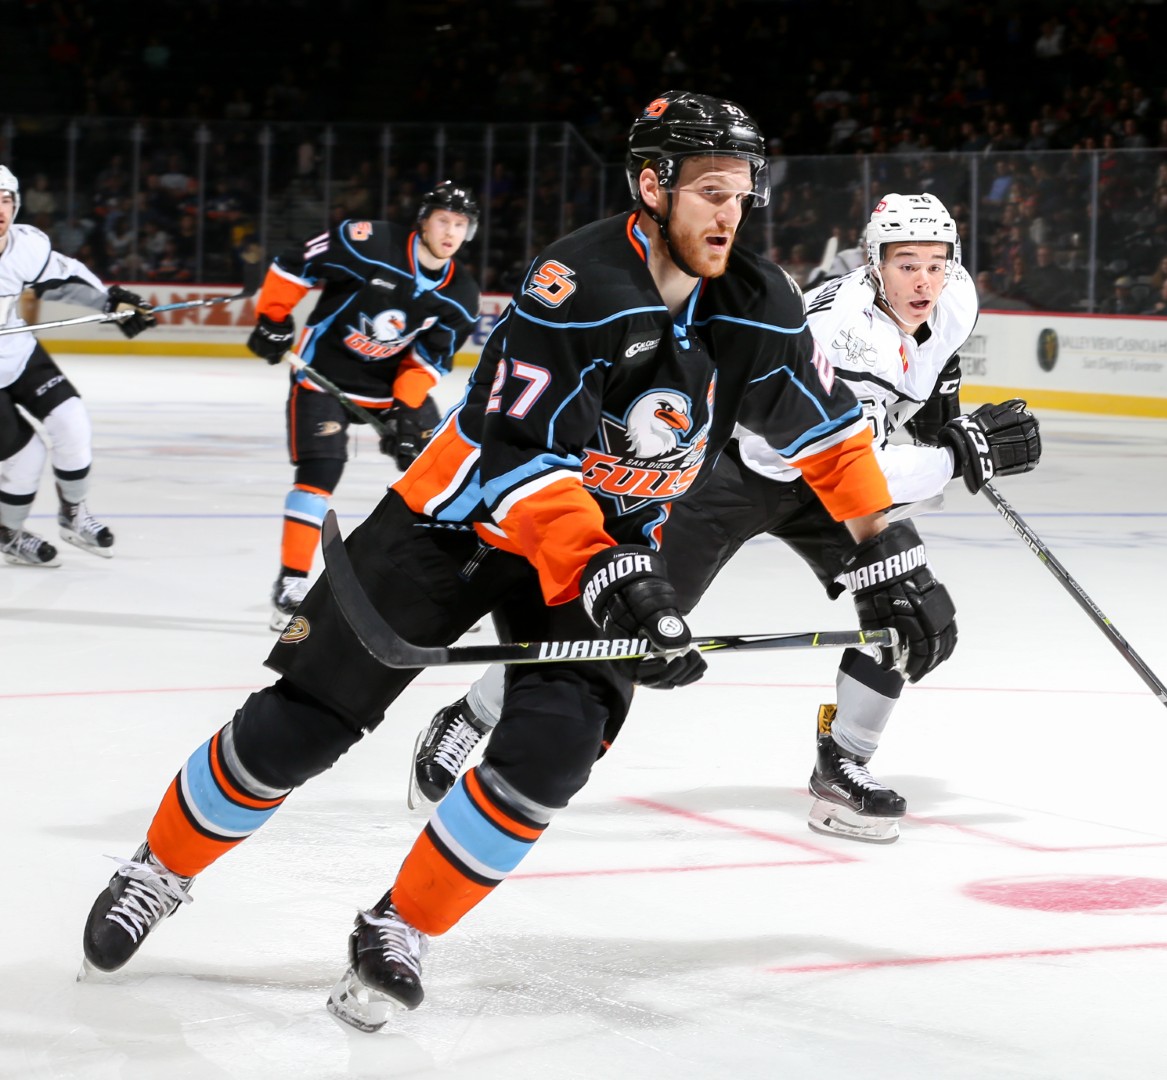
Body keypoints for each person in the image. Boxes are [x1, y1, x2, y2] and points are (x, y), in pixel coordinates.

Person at [78, 92, 961, 1034]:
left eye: (742, 193)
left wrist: (890, 554)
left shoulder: (760, 301)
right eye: (711, 191)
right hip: (456, 524)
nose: (730, 213)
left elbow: (828, 437)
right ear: (652, 185)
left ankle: (399, 926)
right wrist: (608, 568)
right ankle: (158, 870)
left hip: (598, 552)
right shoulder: (575, 284)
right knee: (303, 725)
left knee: (552, 752)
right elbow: (520, 461)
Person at [407, 192, 1040, 844]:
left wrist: (945, 426)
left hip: (828, 479)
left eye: (936, 264)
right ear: (873, 264)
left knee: (909, 602)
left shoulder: (956, 297)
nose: (925, 282)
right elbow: (853, 465)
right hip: (738, 471)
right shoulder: (843, 331)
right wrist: (956, 456)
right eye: (907, 265)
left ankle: (842, 765)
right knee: (627, 625)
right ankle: (473, 712)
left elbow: (936, 370)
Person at [249, 182, 481, 631]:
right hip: (322, 377)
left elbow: (430, 359)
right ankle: (291, 584)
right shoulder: (370, 243)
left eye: (460, 224)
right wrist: (272, 318)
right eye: (443, 221)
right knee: (319, 472)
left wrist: (406, 409)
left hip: (387, 389)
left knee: (439, 479)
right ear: (424, 221)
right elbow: (296, 263)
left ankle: (437, 590)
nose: (450, 232)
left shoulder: (461, 293)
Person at [0, 164, 156, 566]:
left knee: (72, 422)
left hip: (16, 352)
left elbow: (65, 279)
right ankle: (9, 533)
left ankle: (73, 514)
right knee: (26, 458)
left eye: (6, 200)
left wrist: (111, 303)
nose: (0, 210)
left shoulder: (25, 246)